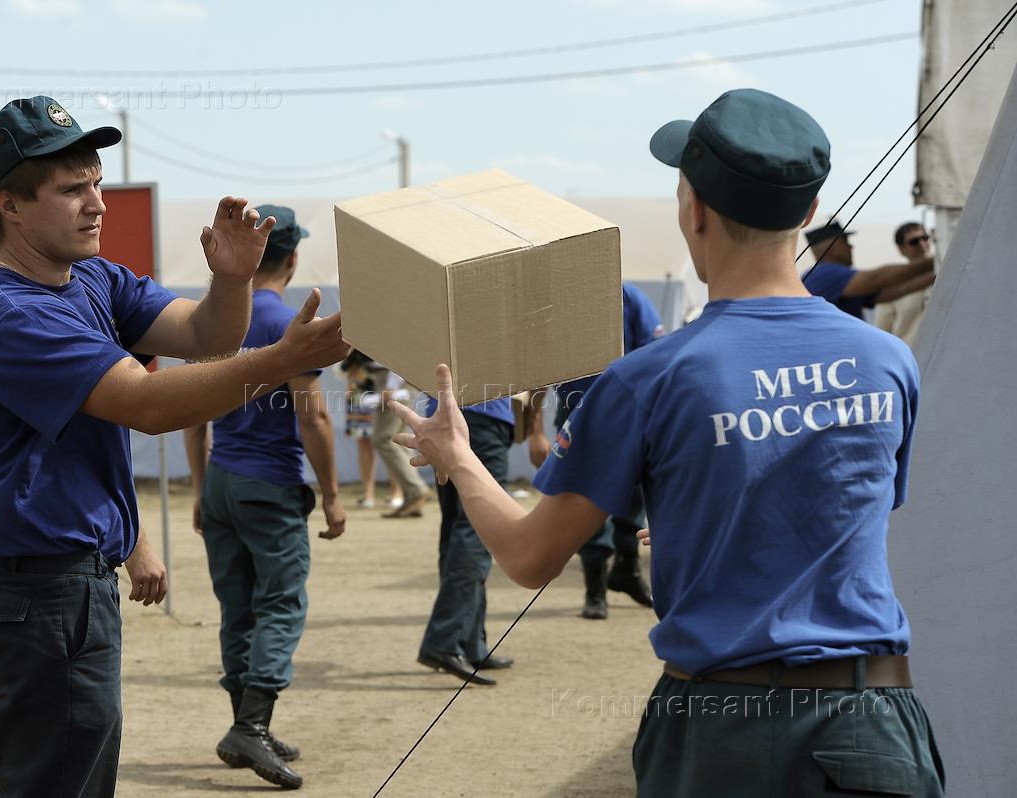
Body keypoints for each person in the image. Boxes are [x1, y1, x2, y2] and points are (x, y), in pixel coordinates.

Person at [392, 89, 944, 796]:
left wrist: (458, 459)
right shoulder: (888, 360)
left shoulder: (645, 380)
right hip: (874, 724)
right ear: (807, 214)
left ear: (693, 210)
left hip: (721, 730)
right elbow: (843, 510)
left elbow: (530, 558)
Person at [0, 96, 347, 798]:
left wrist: (230, 281)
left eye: (97, 181)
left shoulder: (90, 278)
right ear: (9, 205)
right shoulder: (12, 314)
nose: (96, 203)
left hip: (58, 583)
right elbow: (148, 406)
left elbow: (205, 338)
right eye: (72, 189)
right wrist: (280, 361)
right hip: (34, 593)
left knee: (47, 778)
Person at [184, 205, 345, 791]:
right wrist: (331, 494)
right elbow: (315, 416)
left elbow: (192, 410)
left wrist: (200, 489)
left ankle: (245, 726)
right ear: (295, 257)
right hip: (269, 484)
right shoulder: (288, 321)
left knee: (238, 607)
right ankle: (251, 724)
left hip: (223, 477)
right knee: (281, 604)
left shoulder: (217, 320)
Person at [528, 283, 664, 619]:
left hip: (629, 414)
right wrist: (534, 432)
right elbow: (538, 370)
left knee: (634, 500)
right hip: (577, 414)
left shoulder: (628, 297)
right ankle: (595, 590)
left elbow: (656, 356)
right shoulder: (559, 302)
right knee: (581, 501)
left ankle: (627, 573)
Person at [416, 396, 515, 686]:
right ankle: (446, 640)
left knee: (457, 528)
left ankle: (471, 642)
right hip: (483, 416)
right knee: (478, 530)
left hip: (442, 419)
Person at [802, 220, 935, 320]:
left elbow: (898, 290)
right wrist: (938, 261)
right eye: (845, 242)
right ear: (833, 249)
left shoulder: (832, 279)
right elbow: (877, 279)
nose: (851, 247)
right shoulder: (824, 274)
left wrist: (938, 272)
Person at [338, 350, 402, 509]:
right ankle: (368, 494)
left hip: (386, 375)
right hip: (359, 376)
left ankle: (397, 492)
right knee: (363, 438)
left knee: (391, 438)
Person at [372, 367, 430, 517]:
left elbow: (394, 350)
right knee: (399, 441)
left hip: (394, 383)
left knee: (384, 439)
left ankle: (416, 489)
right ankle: (411, 498)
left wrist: (391, 386)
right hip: (396, 382)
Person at [875, 222, 934, 346]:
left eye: (925, 238)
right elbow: (882, 331)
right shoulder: (893, 285)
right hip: (912, 357)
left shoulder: (949, 274)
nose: (922, 244)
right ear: (901, 249)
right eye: (914, 241)